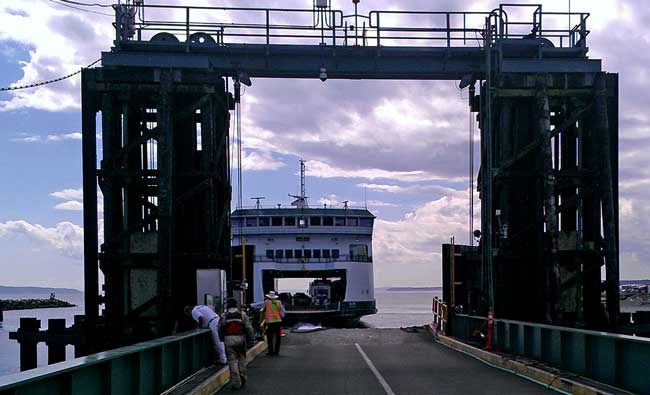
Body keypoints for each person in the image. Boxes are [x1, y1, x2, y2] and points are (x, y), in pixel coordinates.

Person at [218, 298, 254, 390]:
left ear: (228, 305)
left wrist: (221, 338)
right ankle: (243, 376)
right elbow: (249, 328)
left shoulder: (224, 316)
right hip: (241, 338)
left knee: (232, 361)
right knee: (241, 358)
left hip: (228, 339)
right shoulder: (242, 315)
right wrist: (251, 339)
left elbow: (220, 329)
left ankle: (236, 382)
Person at [252, 290, 285, 356]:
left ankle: (270, 351)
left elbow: (258, 305)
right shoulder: (279, 302)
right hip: (278, 322)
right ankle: (276, 352)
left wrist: (250, 305)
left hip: (270, 322)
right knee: (278, 338)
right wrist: (281, 317)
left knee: (270, 337)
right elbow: (283, 312)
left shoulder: (266, 302)